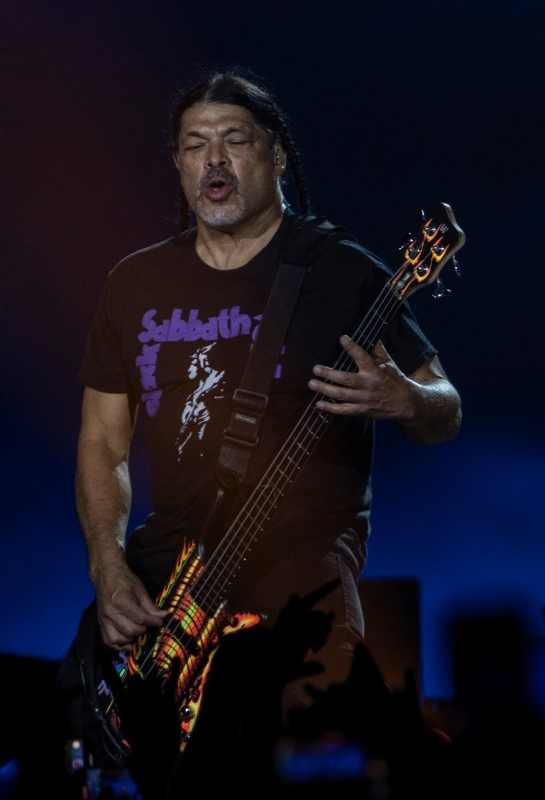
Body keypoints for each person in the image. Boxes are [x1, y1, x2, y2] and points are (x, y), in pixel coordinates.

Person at [61, 67, 462, 798]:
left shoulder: (339, 271)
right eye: (195, 145)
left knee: (321, 765)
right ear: (177, 163)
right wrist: (107, 566)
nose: (213, 160)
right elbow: (102, 443)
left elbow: (446, 409)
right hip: (170, 583)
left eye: (235, 140)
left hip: (300, 574)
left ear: (276, 155)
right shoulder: (134, 284)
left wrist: (404, 398)